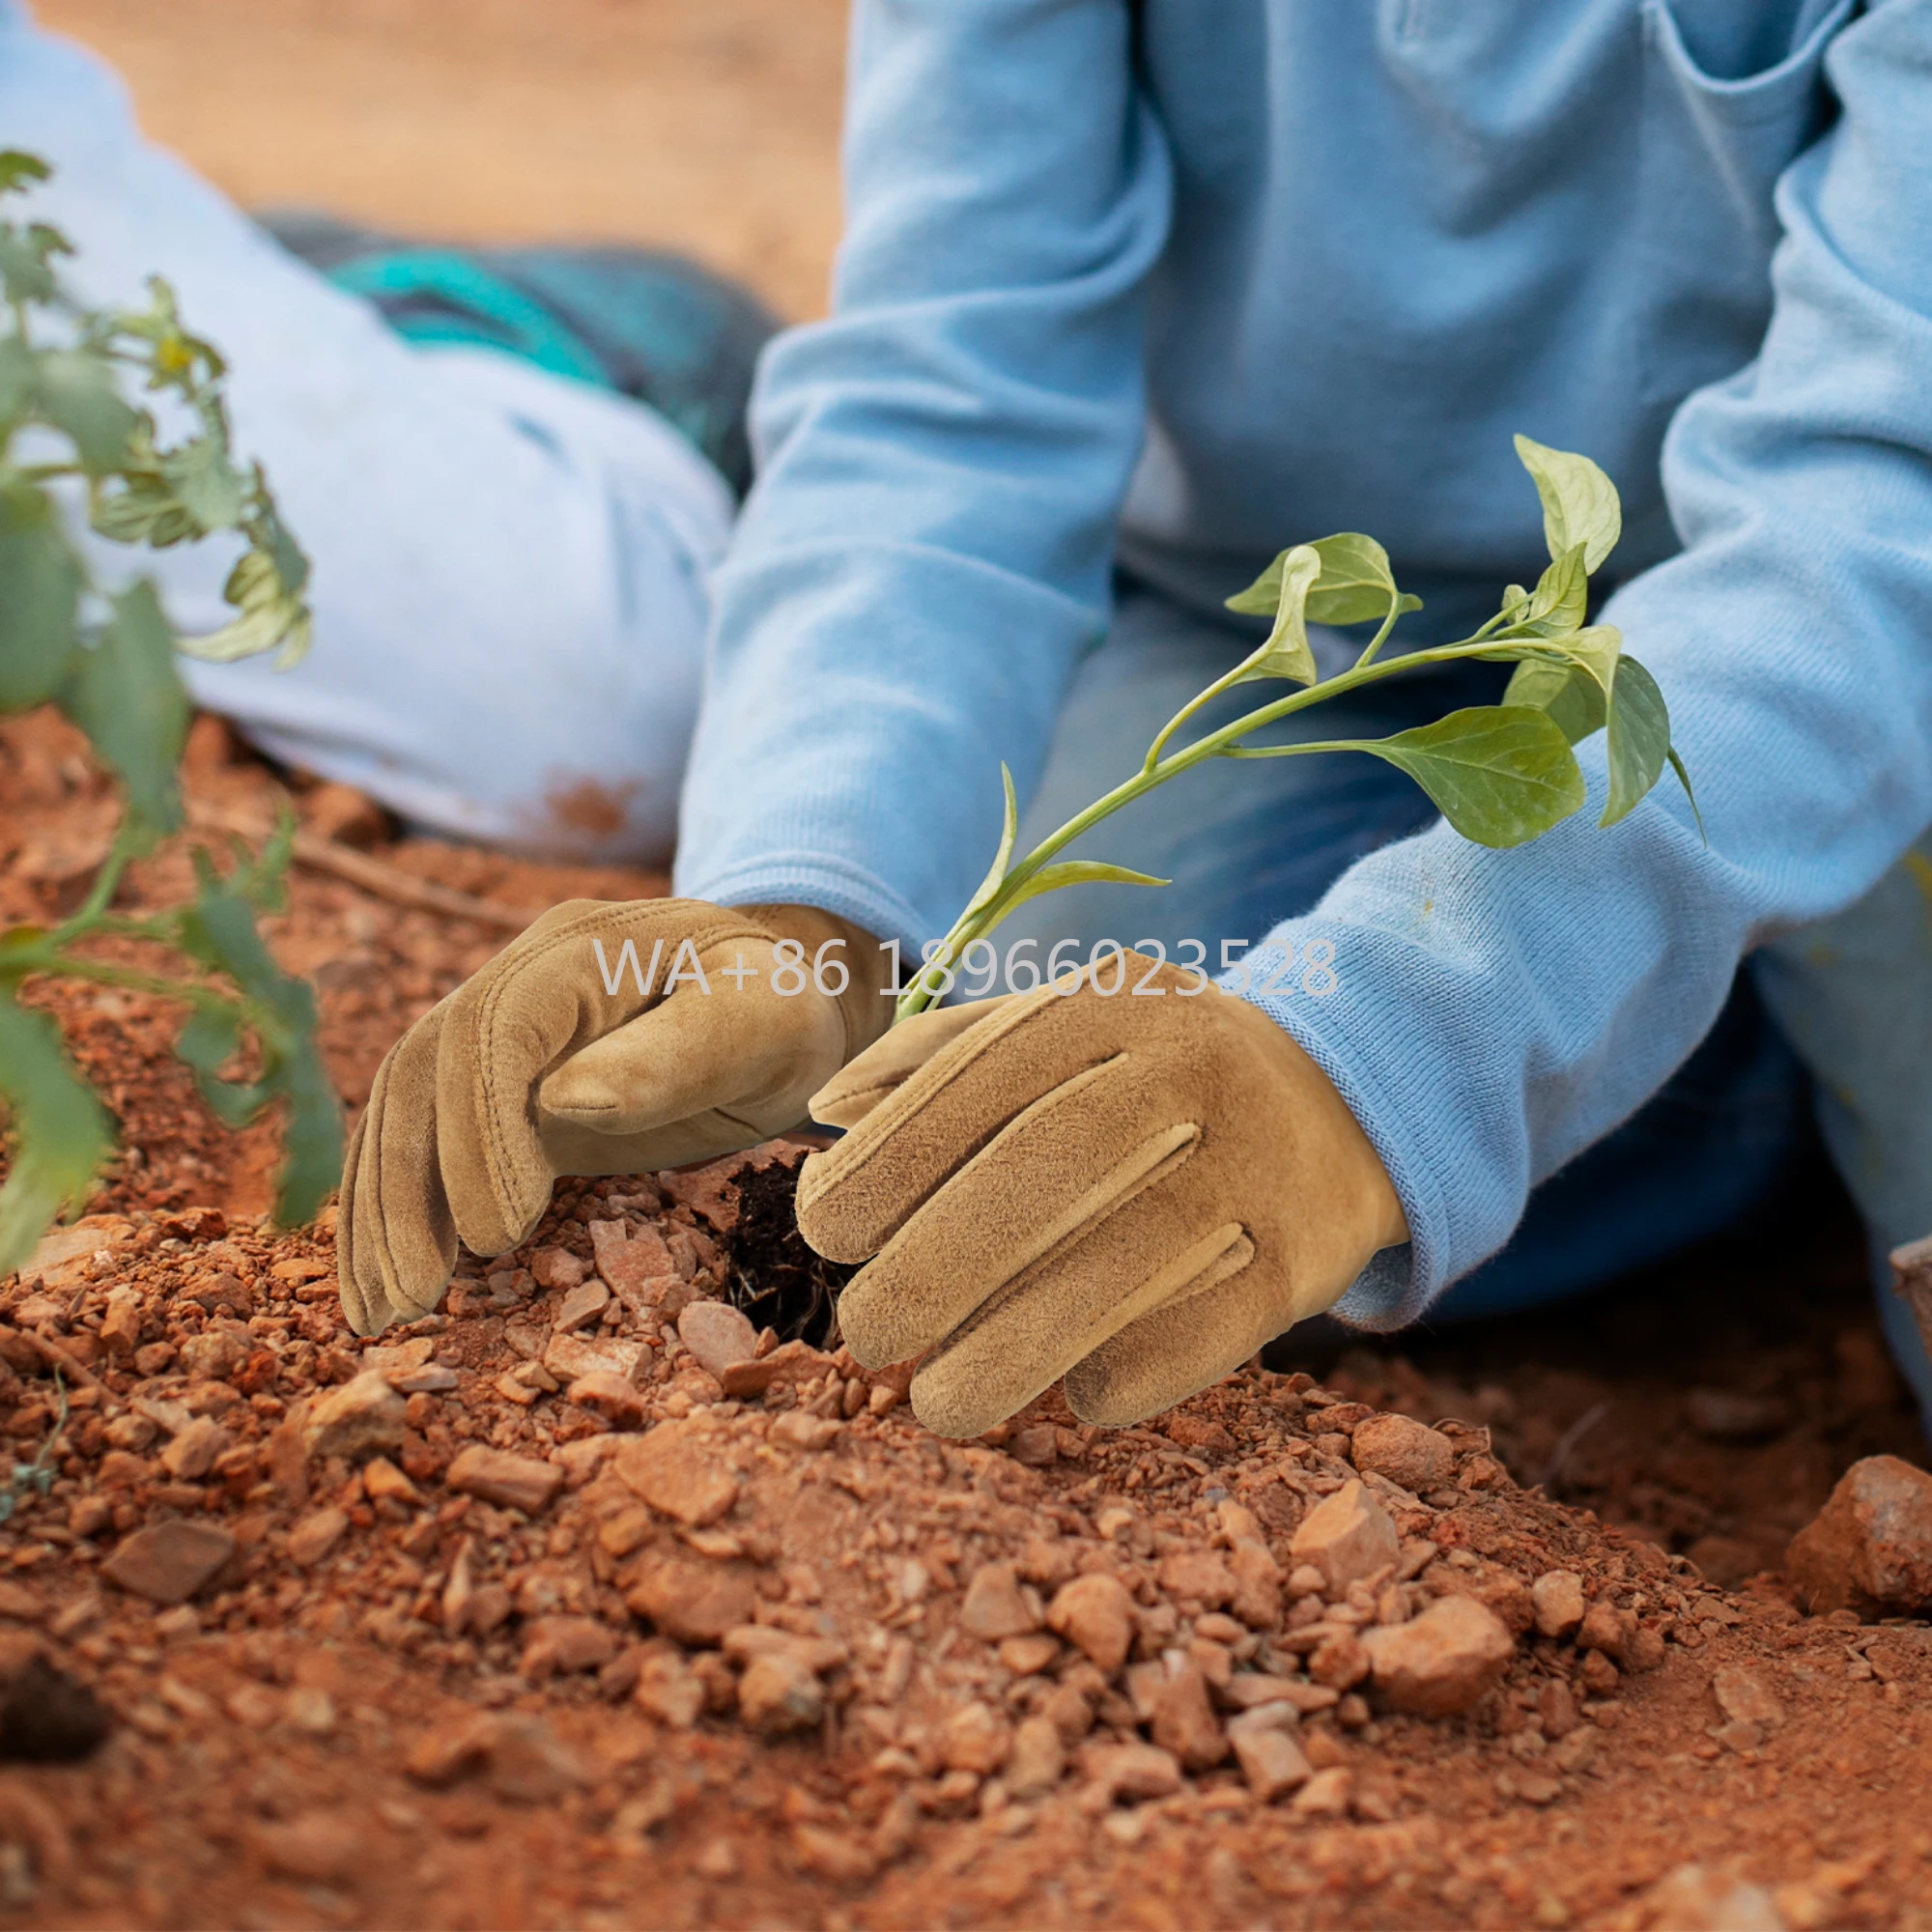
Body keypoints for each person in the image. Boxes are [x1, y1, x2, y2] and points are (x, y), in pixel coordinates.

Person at [11, 2, 1930, 1436]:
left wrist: (1385, 1060)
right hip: (1258, 619)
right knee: (999, 1119)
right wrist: (804, 908)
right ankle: (603, 356)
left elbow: (1868, 525)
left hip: (1818, 637)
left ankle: (1700, 1056)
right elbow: (959, 388)